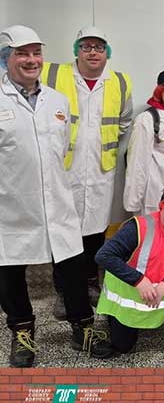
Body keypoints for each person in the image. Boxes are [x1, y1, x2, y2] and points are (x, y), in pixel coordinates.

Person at [0, 25, 113, 367]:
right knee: (10, 274)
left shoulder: (57, 101)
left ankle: (83, 328)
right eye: (22, 53)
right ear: (7, 59)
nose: (31, 60)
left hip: (58, 204)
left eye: (36, 52)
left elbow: (59, 150)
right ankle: (22, 332)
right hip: (12, 206)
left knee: (73, 269)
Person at [41, 26, 133, 320]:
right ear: (76, 51)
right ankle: (63, 290)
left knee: (95, 229)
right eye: (86, 46)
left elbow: (124, 121)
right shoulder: (52, 75)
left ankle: (91, 282)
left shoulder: (119, 81)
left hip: (100, 169)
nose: (92, 52)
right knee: (63, 229)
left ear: (107, 52)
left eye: (98, 47)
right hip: (64, 169)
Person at [95, 184, 164, 361]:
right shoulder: (138, 227)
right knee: (123, 346)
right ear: (162, 206)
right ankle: (114, 319)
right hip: (131, 293)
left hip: (162, 288)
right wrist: (139, 281)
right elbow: (104, 256)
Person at [124, 70, 164, 215]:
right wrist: (133, 203)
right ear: (159, 93)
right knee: (152, 234)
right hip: (154, 193)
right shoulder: (146, 119)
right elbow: (137, 162)